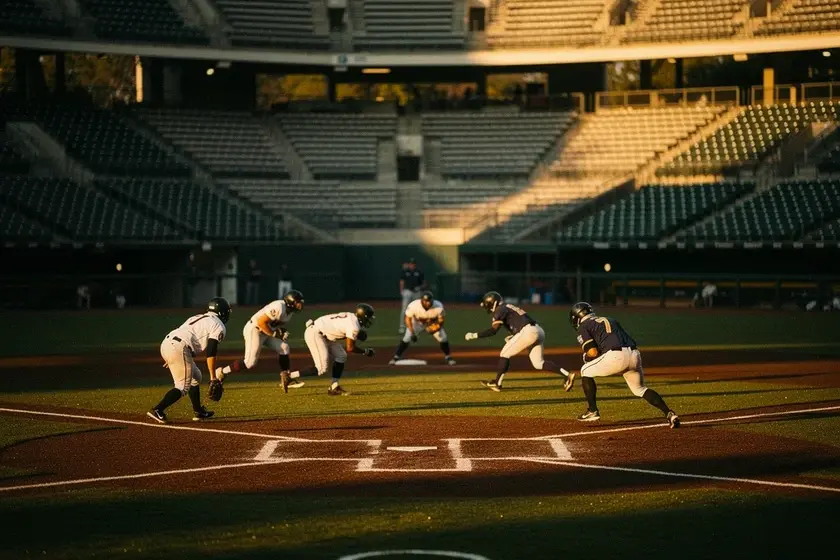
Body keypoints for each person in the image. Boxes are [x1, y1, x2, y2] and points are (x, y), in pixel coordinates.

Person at [564, 302, 680, 428]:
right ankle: (669, 413)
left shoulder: (584, 326)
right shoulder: (610, 320)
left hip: (616, 356)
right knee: (640, 389)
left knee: (585, 370)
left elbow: (592, 352)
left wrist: (587, 356)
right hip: (634, 354)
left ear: (577, 317)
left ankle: (592, 410)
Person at [464, 291, 571, 392]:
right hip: (537, 330)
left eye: (487, 304)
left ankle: (497, 383)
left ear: (493, 303)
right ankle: (567, 375)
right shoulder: (507, 306)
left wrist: (474, 335)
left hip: (528, 332)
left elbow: (493, 330)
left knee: (505, 353)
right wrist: (515, 336)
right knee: (538, 363)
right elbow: (519, 321)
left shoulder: (500, 309)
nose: (487, 307)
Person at [147, 297, 231, 424]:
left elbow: (183, 332)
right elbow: (211, 351)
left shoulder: (197, 317)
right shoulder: (218, 325)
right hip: (180, 347)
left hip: (168, 343)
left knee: (196, 377)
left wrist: (171, 356)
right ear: (223, 312)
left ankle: (199, 411)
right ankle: (158, 409)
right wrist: (213, 377)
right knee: (182, 387)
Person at [214, 290, 306, 390]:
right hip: (255, 329)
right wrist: (275, 334)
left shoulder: (289, 313)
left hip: (265, 332)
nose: (300, 305)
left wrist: (281, 331)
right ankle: (222, 372)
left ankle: (286, 377)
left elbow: (273, 325)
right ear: (291, 302)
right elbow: (261, 322)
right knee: (250, 362)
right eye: (298, 302)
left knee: (284, 347)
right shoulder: (279, 307)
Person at [284, 304, 377, 396]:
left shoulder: (352, 316)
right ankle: (289, 376)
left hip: (325, 333)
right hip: (316, 333)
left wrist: (355, 334)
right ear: (362, 317)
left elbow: (338, 328)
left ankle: (334, 387)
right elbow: (350, 348)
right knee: (321, 369)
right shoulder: (354, 325)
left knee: (341, 356)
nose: (369, 320)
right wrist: (366, 351)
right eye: (368, 318)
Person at [389, 290, 456, 365]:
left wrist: (435, 328)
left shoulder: (438, 306)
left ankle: (448, 357)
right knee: (407, 337)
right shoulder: (414, 305)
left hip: (432, 324)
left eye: (429, 301)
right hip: (417, 323)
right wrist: (412, 332)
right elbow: (408, 319)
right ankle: (396, 357)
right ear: (422, 300)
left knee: (443, 337)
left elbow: (441, 320)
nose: (428, 303)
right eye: (426, 301)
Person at [398, 257, 426, 334]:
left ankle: (419, 326)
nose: (412, 265)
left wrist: (420, 287)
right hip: (407, 291)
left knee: (418, 310)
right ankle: (402, 327)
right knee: (404, 309)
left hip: (416, 292)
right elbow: (402, 282)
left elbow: (424, 283)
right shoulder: (405, 271)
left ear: (415, 264)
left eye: (413, 264)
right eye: (411, 264)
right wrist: (402, 291)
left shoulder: (419, 272)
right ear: (409, 264)